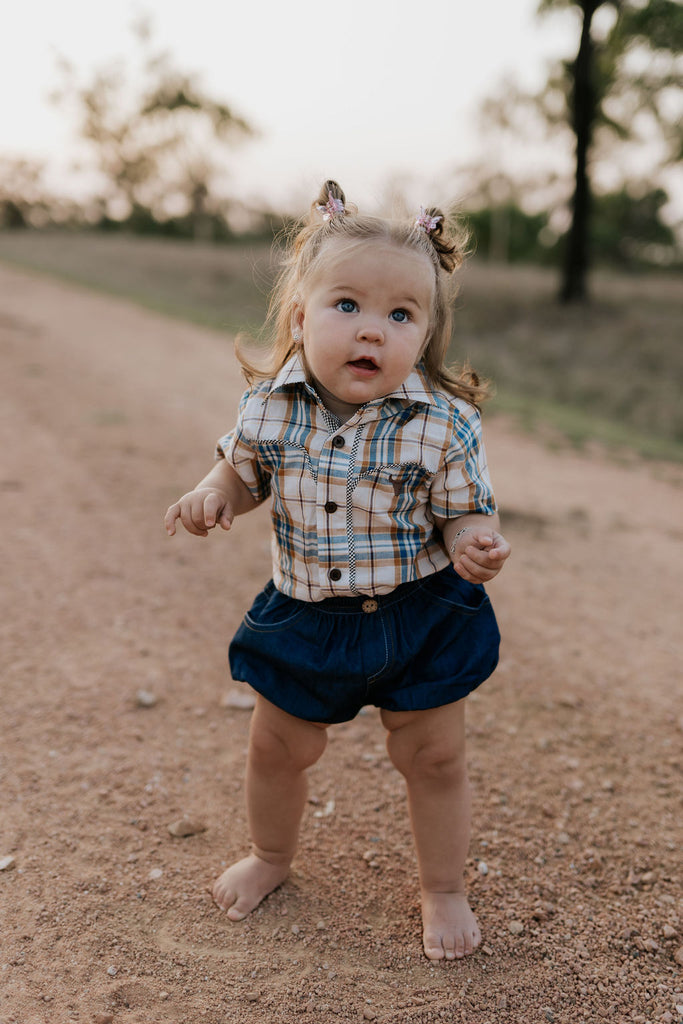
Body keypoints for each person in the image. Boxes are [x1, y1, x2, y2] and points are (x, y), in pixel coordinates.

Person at [164, 180, 511, 961]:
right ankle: (271, 856)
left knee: (434, 758)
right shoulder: (269, 408)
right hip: (306, 617)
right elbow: (241, 473)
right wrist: (213, 494)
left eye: (400, 314)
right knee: (276, 749)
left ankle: (442, 887)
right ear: (299, 317)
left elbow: (465, 510)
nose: (371, 330)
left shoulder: (443, 424)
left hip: (421, 614)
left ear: (425, 333)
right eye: (346, 305)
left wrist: (474, 542)